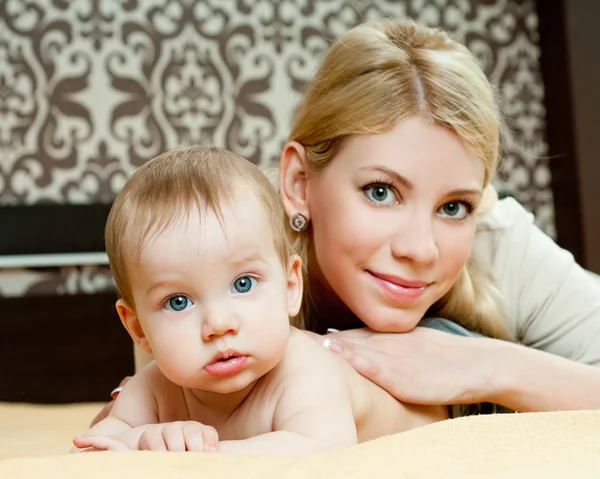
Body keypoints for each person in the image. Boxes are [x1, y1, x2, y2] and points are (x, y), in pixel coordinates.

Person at [97, 19, 600, 424]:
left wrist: (485, 365)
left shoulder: (498, 243)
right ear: (298, 182)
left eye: (454, 207)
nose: (420, 249)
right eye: (381, 192)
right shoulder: (213, 256)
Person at [73, 146, 446, 454]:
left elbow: (324, 449)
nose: (219, 324)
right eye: (178, 302)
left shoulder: (305, 370)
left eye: (243, 283)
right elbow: (85, 450)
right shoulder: (152, 389)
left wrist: (193, 457)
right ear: (138, 328)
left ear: (289, 287)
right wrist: (142, 439)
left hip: (445, 392)